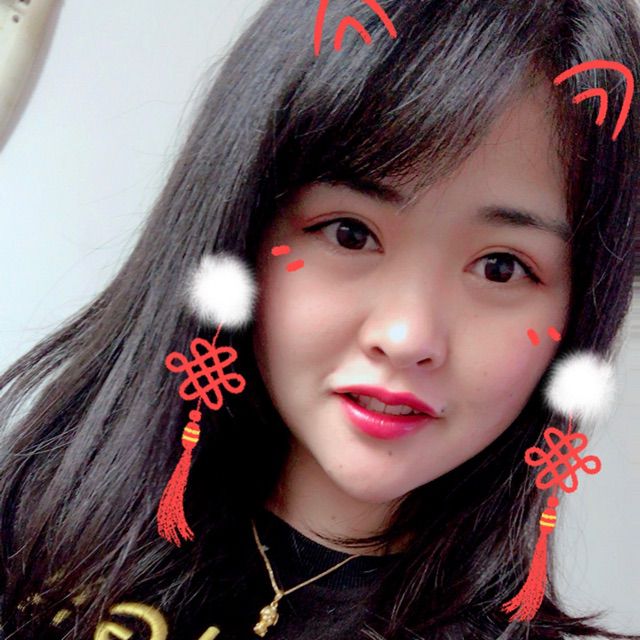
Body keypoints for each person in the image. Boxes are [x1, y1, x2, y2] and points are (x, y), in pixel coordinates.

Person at [0, 0, 639, 638]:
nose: (406, 338)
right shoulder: (31, 533)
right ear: (241, 227)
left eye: (501, 268)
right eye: (349, 233)